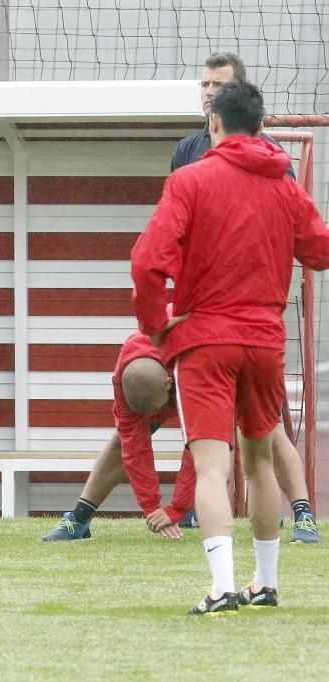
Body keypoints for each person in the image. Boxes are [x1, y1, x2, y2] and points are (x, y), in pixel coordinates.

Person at [131, 82, 329, 614]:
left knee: (213, 467)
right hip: (265, 339)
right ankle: (265, 585)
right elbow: (320, 250)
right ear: (261, 126)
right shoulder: (285, 186)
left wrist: (157, 326)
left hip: (205, 341)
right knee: (260, 463)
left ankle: (222, 588)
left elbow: (147, 262)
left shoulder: (190, 180)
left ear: (213, 124)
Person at [172, 52, 316, 543]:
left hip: (218, 327)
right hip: (253, 329)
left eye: (218, 85)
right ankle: (267, 575)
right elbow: (314, 244)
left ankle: (299, 514)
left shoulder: (275, 169)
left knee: (238, 450)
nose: (209, 91)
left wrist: (157, 320)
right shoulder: (187, 152)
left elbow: (154, 253)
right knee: (256, 450)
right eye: (204, 83)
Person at [41, 332, 196, 542]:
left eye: (156, 409)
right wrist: (151, 506)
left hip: (217, 361)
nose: (153, 417)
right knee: (121, 442)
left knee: (215, 442)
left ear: (168, 383)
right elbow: (134, 448)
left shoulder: (194, 363)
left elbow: (196, 446)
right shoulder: (124, 377)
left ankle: (196, 511)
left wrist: (178, 506)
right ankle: (78, 521)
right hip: (171, 375)